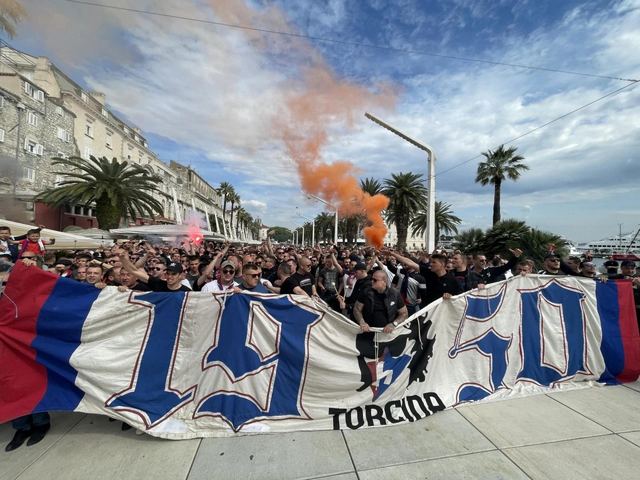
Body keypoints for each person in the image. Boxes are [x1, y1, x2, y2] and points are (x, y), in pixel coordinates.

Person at [353, 269, 407, 333]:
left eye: (375, 280)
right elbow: (357, 309)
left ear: (384, 281)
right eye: (371, 279)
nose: (372, 281)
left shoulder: (395, 294)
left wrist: (394, 324)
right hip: (368, 331)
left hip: (387, 333)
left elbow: (404, 313)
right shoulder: (366, 292)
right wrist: (362, 322)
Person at [117, 248, 191, 292]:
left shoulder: (186, 292)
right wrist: (122, 258)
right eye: (168, 273)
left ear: (180, 275)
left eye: (173, 274)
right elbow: (133, 271)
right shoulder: (158, 284)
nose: (169, 276)